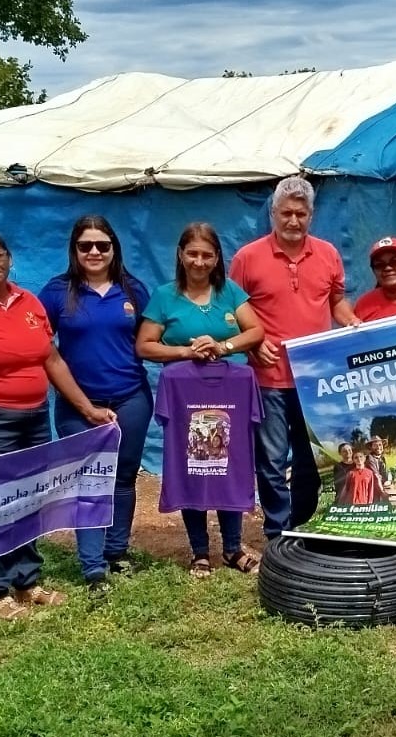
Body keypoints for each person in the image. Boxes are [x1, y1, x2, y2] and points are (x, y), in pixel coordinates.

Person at [0, 230, 108, 613]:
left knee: (27, 500)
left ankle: (27, 582)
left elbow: (51, 359)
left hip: (35, 418)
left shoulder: (29, 303)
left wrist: (87, 408)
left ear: (9, 257)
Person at [229, 176, 359, 538]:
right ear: (273, 213)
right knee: (271, 460)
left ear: (311, 215)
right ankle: (275, 532)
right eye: (286, 213)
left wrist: (350, 321)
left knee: (309, 460)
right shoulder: (247, 258)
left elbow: (336, 301)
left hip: (316, 379)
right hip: (268, 376)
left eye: (300, 214)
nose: (293, 221)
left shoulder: (328, 254)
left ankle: (300, 528)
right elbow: (233, 311)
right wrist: (253, 343)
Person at [136, 223, 265, 577]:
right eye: (192, 253)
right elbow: (145, 345)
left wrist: (223, 346)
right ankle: (199, 552)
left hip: (230, 394)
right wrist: (185, 351)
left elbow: (256, 331)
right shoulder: (165, 296)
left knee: (229, 465)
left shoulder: (229, 292)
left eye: (207, 254)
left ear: (217, 257)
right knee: (191, 463)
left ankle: (234, 548)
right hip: (186, 396)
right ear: (181, 255)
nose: (199, 261)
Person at [38, 215, 154, 592]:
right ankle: (93, 567)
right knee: (89, 481)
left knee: (122, 477)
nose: (94, 252)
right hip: (78, 406)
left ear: (113, 249)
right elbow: (40, 348)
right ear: (74, 250)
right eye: (85, 245)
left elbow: (155, 337)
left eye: (102, 245)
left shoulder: (133, 291)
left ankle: (116, 553)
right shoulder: (57, 293)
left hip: (131, 398)